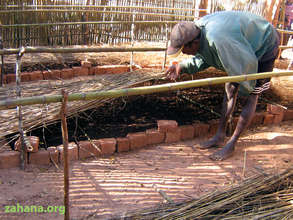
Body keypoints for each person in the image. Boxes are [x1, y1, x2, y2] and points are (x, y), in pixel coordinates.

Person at [165, 11, 280, 161]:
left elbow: (247, 63)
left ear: (193, 43)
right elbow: (207, 56)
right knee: (230, 88)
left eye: (183, 50)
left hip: (264, 46)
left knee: (251, 95)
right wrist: (182, 66)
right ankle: (220, 136)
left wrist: (247, 88)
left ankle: (232, 143)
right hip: (242, 47)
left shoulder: (220, 40)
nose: (184, 53)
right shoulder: (200, 32)